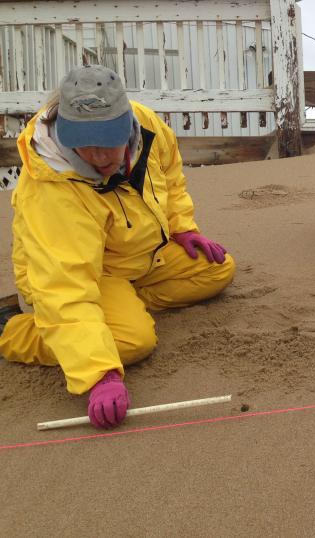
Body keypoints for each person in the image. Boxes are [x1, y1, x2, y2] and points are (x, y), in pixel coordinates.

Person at [0, 65, 236, 429]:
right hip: (78, 277)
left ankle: (117, 308)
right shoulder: (50, 189)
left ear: (125, 122)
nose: (97, 156)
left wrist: (182, 228)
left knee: (216, 268)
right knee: (132, 342)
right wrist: (99, 374)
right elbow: (65, 287)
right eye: (85, 143)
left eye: (107, 139)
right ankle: (13, 330)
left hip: (139, 256)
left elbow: (170, 173)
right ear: (65, 129)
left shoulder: (145, 124)